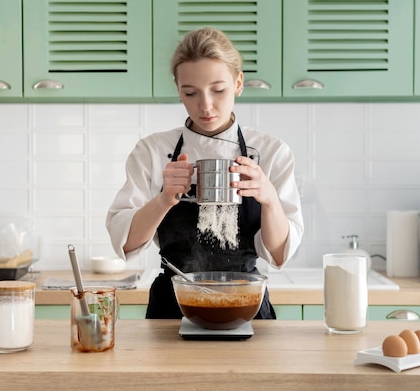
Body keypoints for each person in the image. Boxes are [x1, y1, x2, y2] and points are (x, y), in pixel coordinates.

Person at [106, 27, 303, 319]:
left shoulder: (271, 152)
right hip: (172, 308)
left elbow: (277, 255)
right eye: (190, 93)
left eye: (218, 90)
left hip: (245, 303)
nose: (206, 106)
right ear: (178, 89)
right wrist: (164, 199)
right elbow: (126, 244)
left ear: (238, 83)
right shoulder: (152, 150)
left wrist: (270, 199)